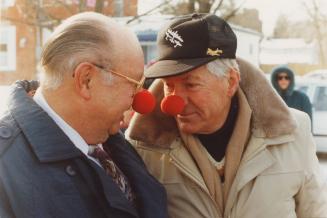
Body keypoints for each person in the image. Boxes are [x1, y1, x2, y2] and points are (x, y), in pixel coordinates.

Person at [126, 13, 327, 218]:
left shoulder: (294, 133)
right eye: (169, 85)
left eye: (191, 84)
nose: (175, 102)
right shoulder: (141, 149)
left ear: (230, 82)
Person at [0, 12, 167, 218]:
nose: (139, 102)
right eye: (134, 85)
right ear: (86, 80)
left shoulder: (112, 143)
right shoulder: (6, 168)